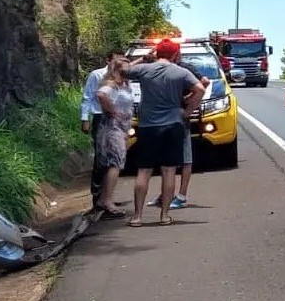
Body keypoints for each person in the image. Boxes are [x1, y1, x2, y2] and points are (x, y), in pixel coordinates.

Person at [124, 38, 205, 226]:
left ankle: (137, 217)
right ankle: (164, 215)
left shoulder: (145, 69)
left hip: (148, 126)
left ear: (156, 53)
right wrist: (187, 111)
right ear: (175, 54)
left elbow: (122, 71)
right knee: (169, 171)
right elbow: (200, 88)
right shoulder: (181, 72)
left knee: (144, 171)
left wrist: (144, 59)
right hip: (173, 125)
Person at [92, 56, 134, 217]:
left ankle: (105, 198)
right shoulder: (112, 85)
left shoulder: (124, 83)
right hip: (112, 128)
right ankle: (107, 200)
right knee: (114, 163)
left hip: (121, 128)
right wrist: (112, 110)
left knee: (114, 163)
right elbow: (101, 95)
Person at [80, 49, 122, 208]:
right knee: (101, 159)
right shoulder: (97, 75)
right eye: (116, 59)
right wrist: (85, 119)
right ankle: (97, 198)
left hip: (116, 121)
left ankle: (107, 197)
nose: (119, 63)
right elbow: (87, 97)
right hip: (101, 118)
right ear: (108, 60)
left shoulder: (122, 77)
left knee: (114, 159)